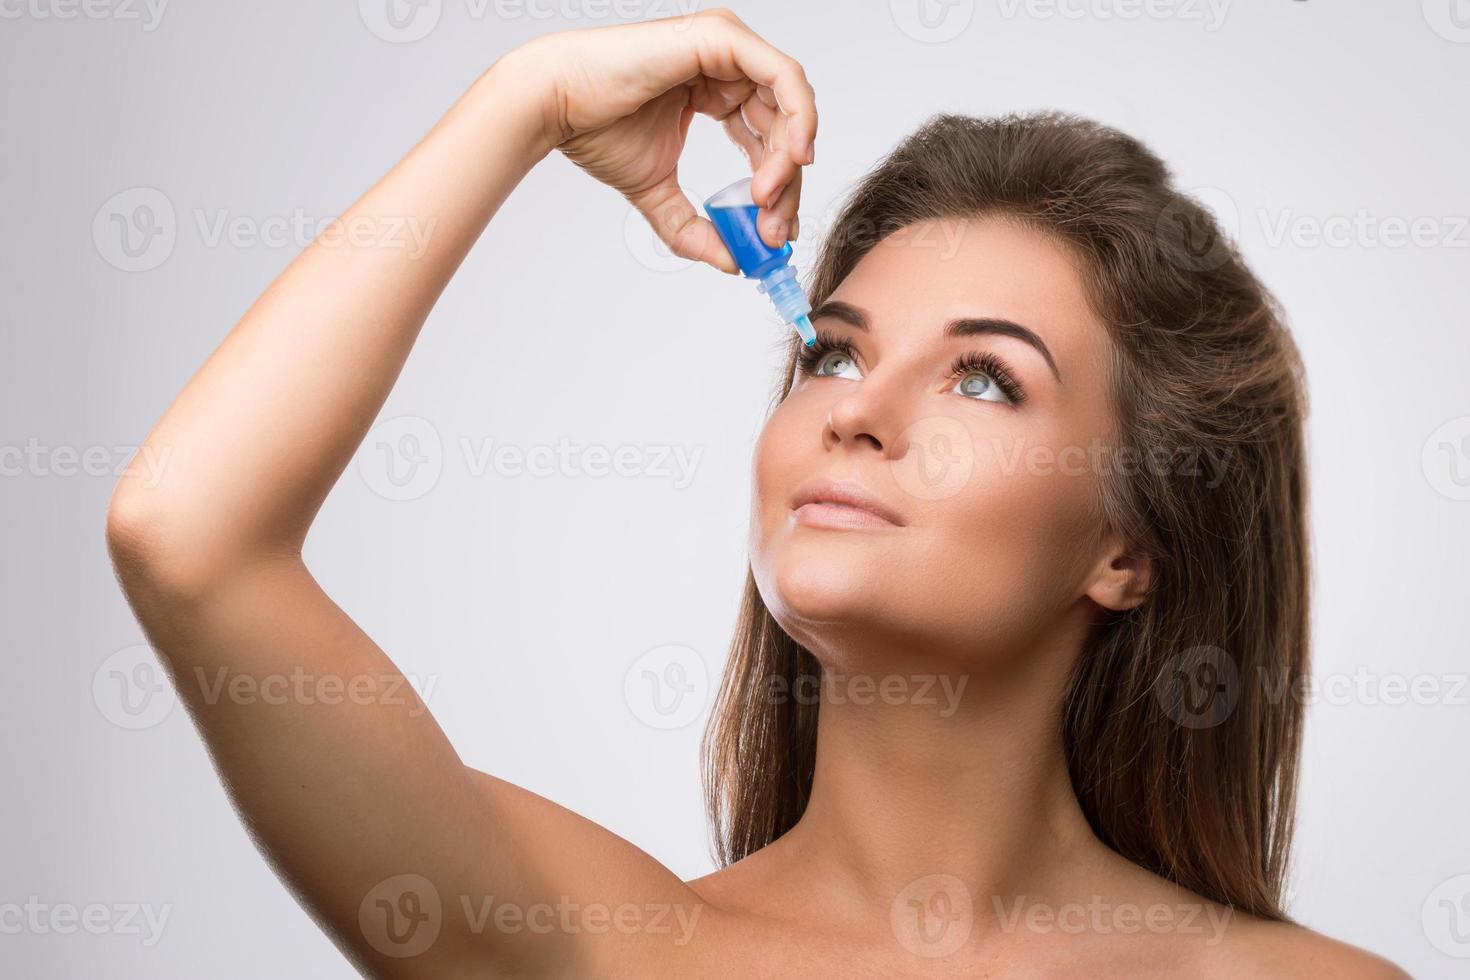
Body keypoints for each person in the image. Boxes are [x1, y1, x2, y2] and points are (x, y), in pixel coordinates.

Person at [106, 9, 1405, 977]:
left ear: (1126, 546)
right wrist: (526, 101)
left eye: (984, 381)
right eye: (834, 351)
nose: (853, 408)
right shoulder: (611, 948)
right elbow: (190, 540)